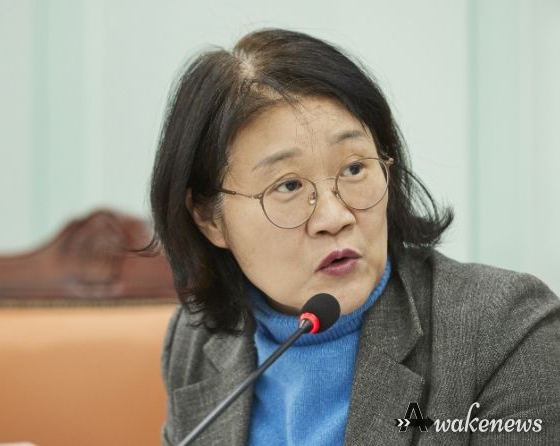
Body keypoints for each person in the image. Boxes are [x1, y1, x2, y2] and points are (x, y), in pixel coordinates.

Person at [147, 28, 560, 445]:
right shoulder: (197, 341)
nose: (335, 217)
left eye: (354, 168)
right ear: (209, 218)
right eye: (288, 186)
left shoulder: (503, 330)